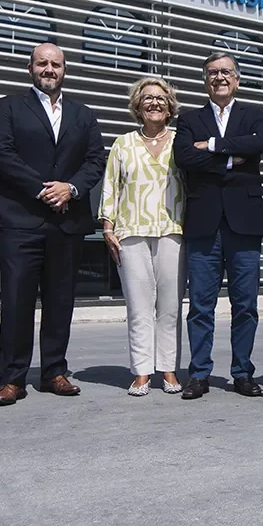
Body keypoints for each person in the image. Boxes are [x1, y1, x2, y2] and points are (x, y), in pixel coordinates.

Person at [0, 42, 107, 406]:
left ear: (64, 70)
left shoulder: (83, 115)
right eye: (42, 63)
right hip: (19, 222)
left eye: (56, 64)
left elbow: (95, 161)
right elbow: (0, 153)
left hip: (66, 223)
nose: (49, 69)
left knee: (60, 302)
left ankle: (54, 371)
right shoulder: (8, 107)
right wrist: (44, 190)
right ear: (30, 68)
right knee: (16, 302)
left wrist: (71, 188)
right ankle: (12, 378)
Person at [172, 51, 263, 400]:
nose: (219, 77)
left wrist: (212, 146)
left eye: (226, 72)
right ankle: (199, 374)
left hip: (245, 224)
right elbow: (184, 157)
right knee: (201, 305)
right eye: (212, 72)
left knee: (246, 305)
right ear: (205, 80)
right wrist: (230, 160)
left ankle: (242, 372)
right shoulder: (189, 119)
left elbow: (258, 144)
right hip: (204, 223)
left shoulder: (255, 116)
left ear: (237, 79)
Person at [99, 77, 187, 396]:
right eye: (147, 98)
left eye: (161, 98)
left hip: (173, 230)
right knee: (138, 307)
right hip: (131, 231)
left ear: (170, 107)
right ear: (137, 105)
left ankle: (168, 369)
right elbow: (111, 186)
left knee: (170, 307)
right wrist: (107, 227)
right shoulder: (123, 144)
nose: (154, 103)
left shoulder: (181, 142)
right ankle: (141, 371)